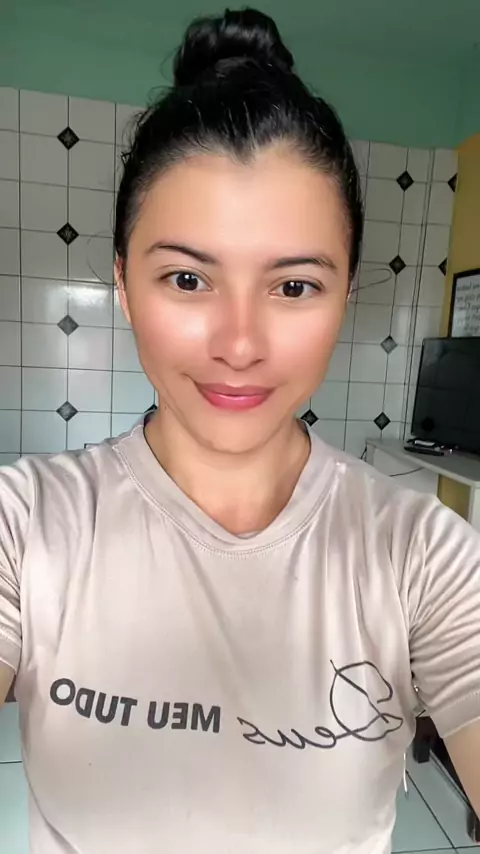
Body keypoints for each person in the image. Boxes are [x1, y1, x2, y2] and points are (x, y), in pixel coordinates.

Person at [0, 8, 479, 853]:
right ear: (123, 284)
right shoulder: (25, 524)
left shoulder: (423, 556)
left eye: (294, 287)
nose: (240, 345)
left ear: (345, 294)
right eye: (187, 279)